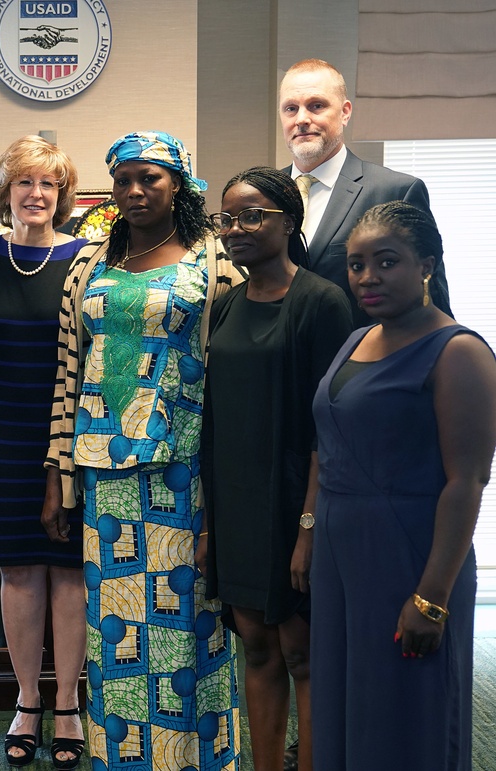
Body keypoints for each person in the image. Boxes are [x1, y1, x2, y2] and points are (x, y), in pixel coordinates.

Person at [45, 131, 243, 771]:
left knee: (191, 618)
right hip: (106, 475)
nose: (135, 191)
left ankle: (197, 758)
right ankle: (121, 759)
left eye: (150, 178)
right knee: (117, 626)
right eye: (124, 179)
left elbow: (233, 373)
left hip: (185, 471)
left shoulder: (214, 263)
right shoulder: (89, 265)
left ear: (179, 184)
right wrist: (59, 471)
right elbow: (68, 372)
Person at [309, 201, 496, 770]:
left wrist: (432, 597)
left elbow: (468, 482)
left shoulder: (459, 351)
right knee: (346, 705)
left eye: (386, 262)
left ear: (427, 267)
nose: (367, 278)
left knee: (408, 711)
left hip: (411, 555)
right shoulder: (358, 339)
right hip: (341, 557)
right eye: (357, 264)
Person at [197, 167, 351, 771]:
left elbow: (330, 428)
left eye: (252, 215)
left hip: (295, 505)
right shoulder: (230, 302)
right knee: (255, 649)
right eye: (227, 218)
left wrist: (309, 529)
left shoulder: (321, 301)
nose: (236, 229)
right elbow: (215, 418)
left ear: (288, 221)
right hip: (236, 505)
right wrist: (211, 524)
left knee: (301, 654)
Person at [0, 135, 88, 770]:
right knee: (15, 570)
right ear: (5, 191)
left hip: (67, 429)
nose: (36, 195)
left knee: (67, 570)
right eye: (24, 184)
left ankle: (68, 701)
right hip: (2, 432)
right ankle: (26, 702)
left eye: (48, 185)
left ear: (63, 196)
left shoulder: (85, 258)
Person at [278, 58, 452, 325]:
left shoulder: (397, 191)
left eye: (317, 106)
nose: (302, 119)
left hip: (367, 360)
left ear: (345, 112)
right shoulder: (264, 195)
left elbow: (433, 302)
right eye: (291, 108)